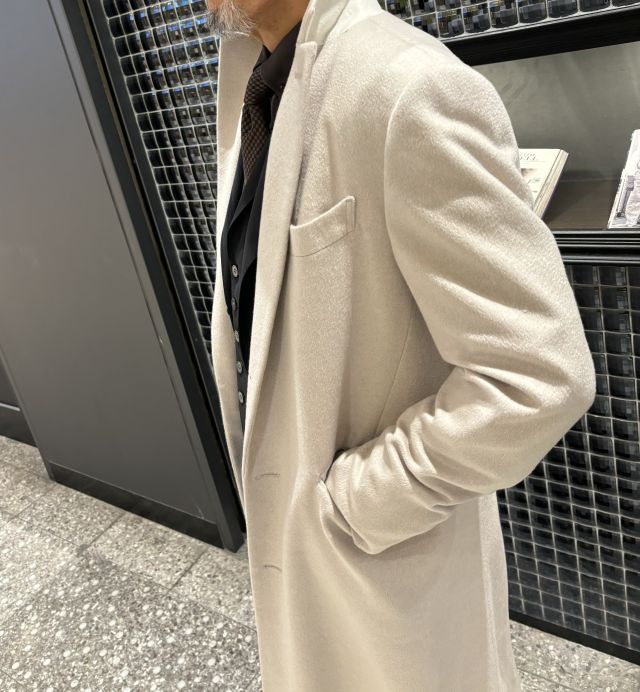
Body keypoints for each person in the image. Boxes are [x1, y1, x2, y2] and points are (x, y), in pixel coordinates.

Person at [207, 0, 597, 690]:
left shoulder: (406, 85)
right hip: (302, 548)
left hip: (385, 563)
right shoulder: (252, 78)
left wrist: (356, 503)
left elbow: (539, 376)